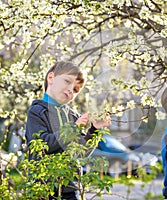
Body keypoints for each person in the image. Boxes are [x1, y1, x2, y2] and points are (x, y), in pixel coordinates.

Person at [25, 61, 111, 200]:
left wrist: (95, 129)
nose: (71, 89)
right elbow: (43, 145)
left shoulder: (73, 116)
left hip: (70, 189)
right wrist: (74, 128)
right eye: (67, 81)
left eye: (76, 90)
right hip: (44, 188)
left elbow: (81, 153)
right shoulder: (37, 112)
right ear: (51, 78)